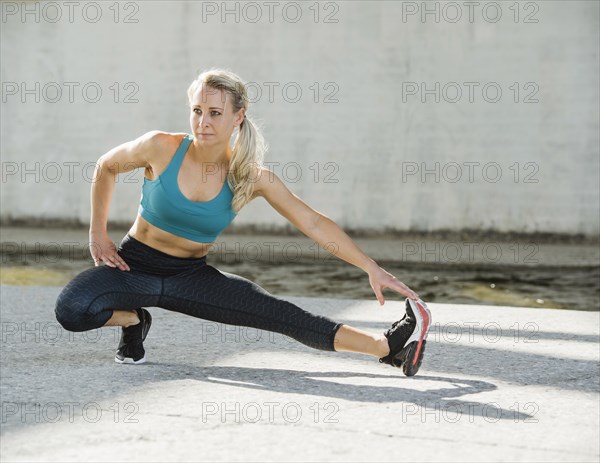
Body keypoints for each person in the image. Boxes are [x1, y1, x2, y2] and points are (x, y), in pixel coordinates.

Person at [54, 68, 431, 377]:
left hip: (190, 278)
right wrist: (97, 233)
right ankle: (133, 321)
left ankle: (387, 348)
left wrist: (371, 267)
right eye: (197, 110)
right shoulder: (161, 147)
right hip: (134, 265)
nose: (203, 122)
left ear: (238, 115)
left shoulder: (251, 177)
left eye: (215, 113)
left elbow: (313, 223)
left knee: (282, 316)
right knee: (72, 310)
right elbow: (107, 166)